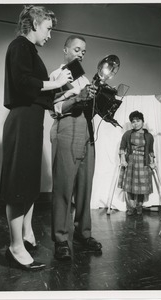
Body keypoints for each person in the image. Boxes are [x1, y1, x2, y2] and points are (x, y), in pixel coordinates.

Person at [0, 5, 72, 271]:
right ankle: (15, 248)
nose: (50, 35)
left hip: (31, 121)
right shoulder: (19, 46)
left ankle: (26, 235)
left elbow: (37, 92)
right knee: (19, 183)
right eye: (48, 28)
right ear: (34, 23)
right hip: (22, 121)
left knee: (28, 181)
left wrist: (61, 88)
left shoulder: (29, 51)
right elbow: (22, 83)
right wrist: (54, 83)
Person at [49, 35, 102, 261]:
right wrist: (77, 98)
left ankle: (83, 234)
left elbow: (89, 107)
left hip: (86, 131)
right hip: (67, 129)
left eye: (83, 52)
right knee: (63, 187)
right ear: (65, 50)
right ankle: (61, 239)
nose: (81, 54)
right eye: (77, 49)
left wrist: (104, 104)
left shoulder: (84, 78)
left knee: (84, 186)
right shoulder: (57, 75)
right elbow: (55, 108)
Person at [118, 111, 155, 216]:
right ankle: (131, 207)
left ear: (143, 121)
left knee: (141, 185)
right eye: (133, 121)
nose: (136, 123)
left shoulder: (149, 136)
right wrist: (123, 160)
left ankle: (139, 206)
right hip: (131, 161)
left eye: (138, 121)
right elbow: (122, 148)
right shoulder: (127, 134)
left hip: (144, 162)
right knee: (130, 186)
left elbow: (151, 151)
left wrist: (152, 162)